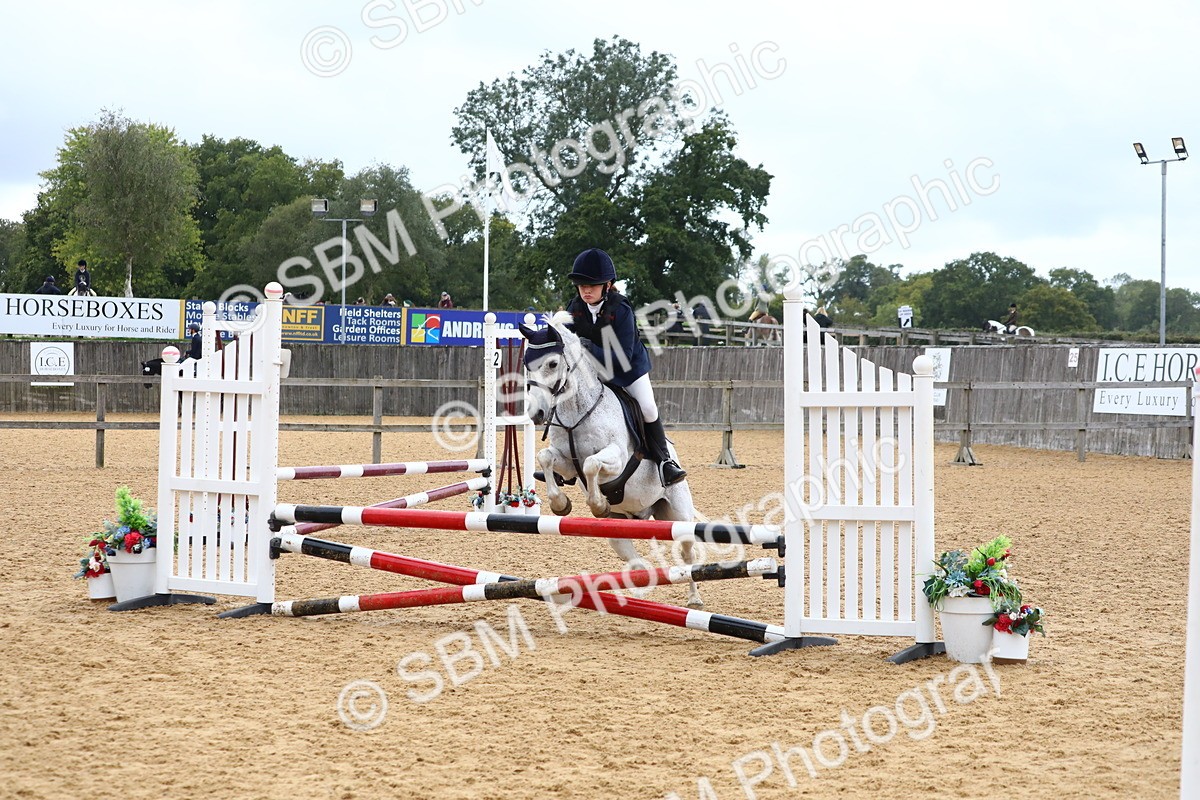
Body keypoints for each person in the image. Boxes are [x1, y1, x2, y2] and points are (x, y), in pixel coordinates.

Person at [565, 248, 686, 486]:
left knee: (648, 409)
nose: (586, 290)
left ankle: (664, 462)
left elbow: (622, 357)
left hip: (627, 368)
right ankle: (567, 465)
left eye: (592, 285)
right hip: (593, 372)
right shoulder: (574, 308)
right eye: (581, 285)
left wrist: (587, 347)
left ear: (607, 285)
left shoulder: (621, 310)